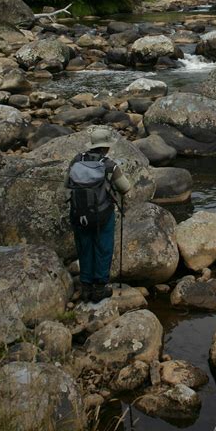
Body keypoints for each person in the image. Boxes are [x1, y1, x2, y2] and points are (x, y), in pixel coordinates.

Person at [65, 128, 131, 303]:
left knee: (84, 246)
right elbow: (125, 188)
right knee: (103, 247)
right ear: (106, 147)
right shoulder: (110, 166)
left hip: (78, 214)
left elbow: (67, 184)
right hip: (103, 215)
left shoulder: (76, 161)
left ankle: (86, 287)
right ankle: (100, 288)